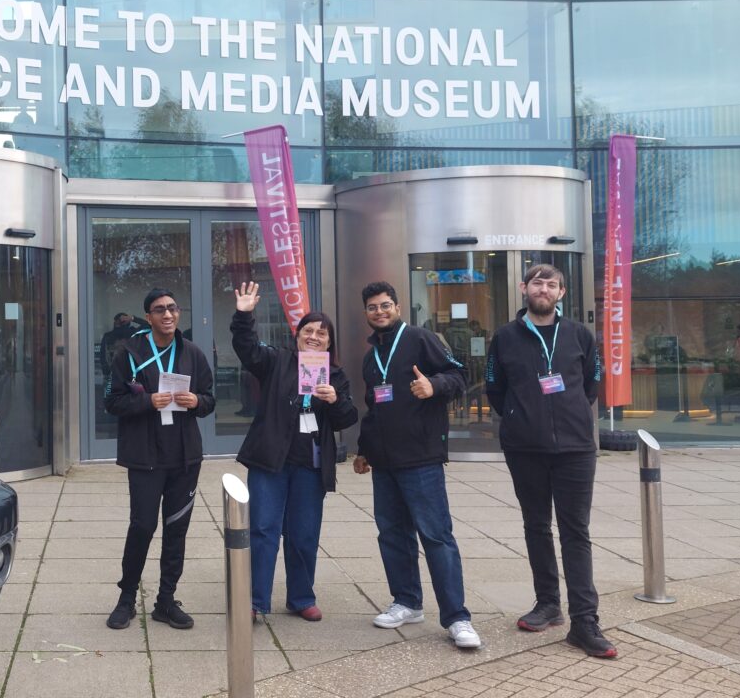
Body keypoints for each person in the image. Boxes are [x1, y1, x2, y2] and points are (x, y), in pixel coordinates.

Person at [484, 263, 616, 658]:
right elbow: (494, 388)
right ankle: (548, 604)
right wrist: (521, 419)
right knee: (536, 526)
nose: (543, 288)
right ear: (523, 288)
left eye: (551, 284)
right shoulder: (504, 337)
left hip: (576, 449)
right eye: (537, 282)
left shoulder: (579, 334)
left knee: (576, 531)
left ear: (561, 293)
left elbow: (591, 383)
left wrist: (568, 415)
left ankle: (585, 622)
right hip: (525, 449)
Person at [353, 281, 482, 650]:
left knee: (436, 536)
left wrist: (434, 386)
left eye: (385, 305)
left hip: (421, 458)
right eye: (372, 307)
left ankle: (457, 617)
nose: (379, 312)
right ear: (366, 313)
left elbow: (459, 376)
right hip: (384, 462)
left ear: (397, 307)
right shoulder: (370, 358)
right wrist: (363, 450)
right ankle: (407, 602)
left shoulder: (420, 339)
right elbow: (374, 407)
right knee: (392, 535)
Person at [231, 281, 358, 622]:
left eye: (321, 333)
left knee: (304, 533)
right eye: (308, 331)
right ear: (298, 335)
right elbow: (246, 349)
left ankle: (301, 597)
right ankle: (255, 601)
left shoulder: (335, 375)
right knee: (263, 529)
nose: (314, 337)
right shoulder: (276, 361)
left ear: (329, 342)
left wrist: (335, 400)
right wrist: (244, 316)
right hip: (270, 461)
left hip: (310, 465)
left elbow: (348, 418)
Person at [103, 288, 216, 630]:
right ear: (148, 317)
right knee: (142, 527)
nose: (168, 314)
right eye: (159, 310)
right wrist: (146, 401)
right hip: (145, 457)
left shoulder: (192, 353)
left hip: (184, 458)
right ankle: (126, 598)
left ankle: (166, 601)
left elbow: (209, 399)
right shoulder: (129, 353)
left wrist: (197, 401)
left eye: (172, 308)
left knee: (176, 529)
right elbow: (111, 401)